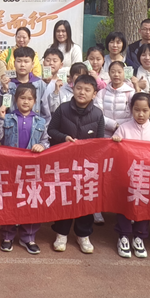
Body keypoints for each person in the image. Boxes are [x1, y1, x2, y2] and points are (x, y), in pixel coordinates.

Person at [47, 75, 105, 253]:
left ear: (94, 94)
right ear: (73, 88)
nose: (82, 92)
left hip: (87, 165)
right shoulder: (63, 109)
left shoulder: (98, 114)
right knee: (64, 197)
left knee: (85, 198)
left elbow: (100, 142)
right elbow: (51, 130)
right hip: (64, 162)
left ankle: (83, 235)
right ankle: (61, 233)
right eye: (79, 88)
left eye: (87, 90)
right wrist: (64, 138)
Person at [0, 83, 48, 254]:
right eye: (22, 98)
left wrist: (42, 146)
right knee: (9, 201)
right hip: (9, 168)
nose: (26, 101)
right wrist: (0, 118)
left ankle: (28, 237)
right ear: (16, 100)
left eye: (30, 99)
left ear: (35, 101)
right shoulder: (7, 118)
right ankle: (7, 235)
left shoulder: (40, 121)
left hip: (31, 169)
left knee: (31, 200)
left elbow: (46, 141)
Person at [111, 93, 150, 259]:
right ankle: (123, 236)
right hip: (127, 176)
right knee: (125, 205)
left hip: (148, 177)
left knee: (144, 206)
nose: (140, 114)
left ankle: (139, 237)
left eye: (145, 110)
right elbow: (114, 152)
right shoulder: (124, 128)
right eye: (136, 110)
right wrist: (115, 142)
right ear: (131, 110)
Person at [0, 47, 47, 117]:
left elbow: (45, 112)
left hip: (35, 123)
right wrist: (5, 90)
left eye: (26, 62)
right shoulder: (7, 83)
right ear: (14, 63)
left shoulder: (40, 84)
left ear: (32, 64)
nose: (22, 65)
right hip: (11, 122)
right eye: (19, 61)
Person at [94, 61, 136, 136]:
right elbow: (97, 114)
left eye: (119, 72)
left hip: (126, 133)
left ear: (124, 73)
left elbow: (134, 114)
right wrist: (113, 125)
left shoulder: (131, 93)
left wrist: (122, 128)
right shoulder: (101, 93)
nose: (116, 74)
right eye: (113, 72)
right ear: (109, 74)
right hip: (105, 134)